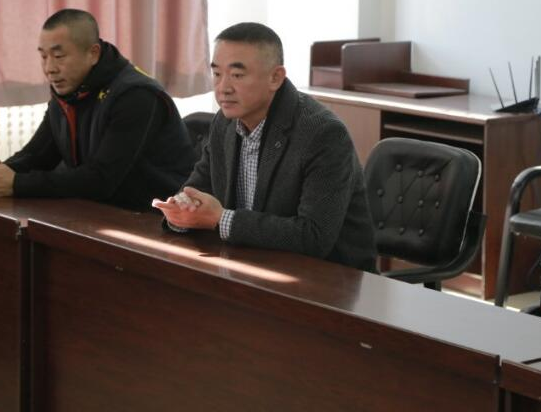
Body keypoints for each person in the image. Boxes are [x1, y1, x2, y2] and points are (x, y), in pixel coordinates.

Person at [153, 22, 377, 271]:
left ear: (275, 78)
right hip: (253, 264)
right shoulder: (224, 123)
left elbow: (314, 237)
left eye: (237, 75)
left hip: (332, 278)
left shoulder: (323, 134)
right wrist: (181, 212)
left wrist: (222, 218)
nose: (223, 88)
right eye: (217, 74)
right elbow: (197, 189)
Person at [0, 8, 196, 211]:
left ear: (93, 53)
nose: (49, 68)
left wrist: (16, 183)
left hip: (154, 218)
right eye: (43, 56)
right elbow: (38, 154)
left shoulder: (136, 96)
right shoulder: (70, 90)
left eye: (59, 56)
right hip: (99, 211)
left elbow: (101, 179)